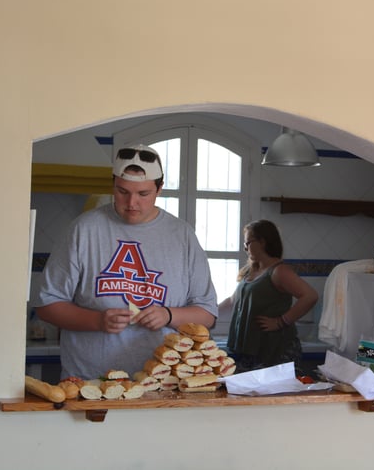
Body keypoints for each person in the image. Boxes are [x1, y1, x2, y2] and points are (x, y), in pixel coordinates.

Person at [35, 144, 218, 379]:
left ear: (159, 188)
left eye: (143, 194)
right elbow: (47, 306)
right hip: (88, 382)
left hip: (164, 382)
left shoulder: (182, 235)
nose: (132, 203)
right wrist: (98, 320)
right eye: (122, 192)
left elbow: (207, 314)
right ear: (113, 184)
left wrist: (169, 315)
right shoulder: (84, 229)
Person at [220, 219, 318, 374]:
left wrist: (281, 321)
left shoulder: (279, 271)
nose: (245, 248)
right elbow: (233, 300)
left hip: (275, 350)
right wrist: (207, 313)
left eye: (248, 243)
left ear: (262, 242)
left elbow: (310, 296)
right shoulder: (250, 271)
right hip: (250, 350)